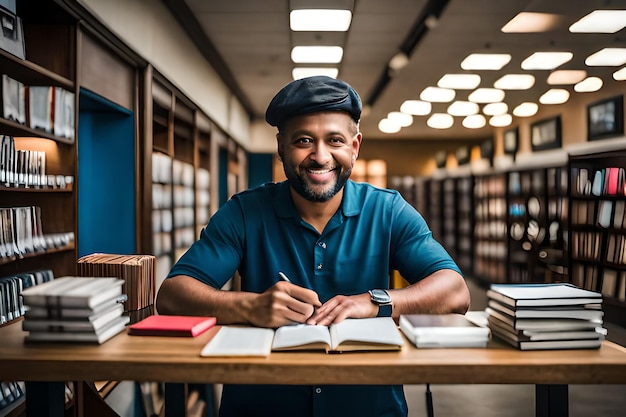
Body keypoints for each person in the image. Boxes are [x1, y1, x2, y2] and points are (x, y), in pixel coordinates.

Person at [156, 75, 471, 417]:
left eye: (335, 140)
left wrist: (375, 302)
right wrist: (250, 307)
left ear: (354, 147)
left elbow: (455, 292)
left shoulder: (388, 211)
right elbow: (172, 296)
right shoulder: (244, 213)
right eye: (304, 140)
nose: (320, 156)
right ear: (281, 148)